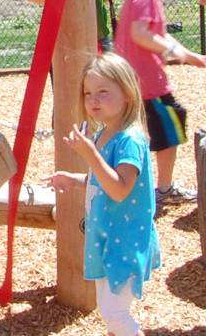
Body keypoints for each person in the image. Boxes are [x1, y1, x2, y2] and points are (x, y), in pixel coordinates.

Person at [44, 52, 161, 336]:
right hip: (106, 236)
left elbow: (121, 189)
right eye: (88, 93)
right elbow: (103, 182)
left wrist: (91, 154)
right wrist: (74, 179)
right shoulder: (103, 134)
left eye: (103, 92)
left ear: (128, 95)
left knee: (114, 313)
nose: (93, 100)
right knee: (110, 311)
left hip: (126, 238)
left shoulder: (129, 141)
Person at [114, 0, 206, 204]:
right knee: (169, 131)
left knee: (136, 134)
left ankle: (130, 188)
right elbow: (141, 34)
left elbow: (157, 35)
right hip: (148, 82)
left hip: (133, 80)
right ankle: (164, 189)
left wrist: (191, 57)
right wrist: (177, 51)